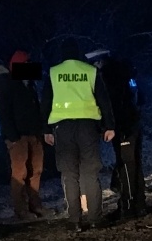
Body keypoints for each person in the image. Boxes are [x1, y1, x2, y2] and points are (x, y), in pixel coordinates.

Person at [43, 39, 116, 231]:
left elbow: (46, 103)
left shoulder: (53, 72)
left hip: (63, 129)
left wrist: (45, 130)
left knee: (69, 174)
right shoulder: (90, 71)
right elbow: (104, 100)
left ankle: (74, 220)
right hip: (88, 128)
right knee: (90, 173)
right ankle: (94, 219)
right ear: (78, 53)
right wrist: (109, 126)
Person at [87, 48, 146, 218]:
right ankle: (139, 204)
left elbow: (109, 104)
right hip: (133, 122)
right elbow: (140, 98)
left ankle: (127, 206)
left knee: (126, 164)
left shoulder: (108, 76)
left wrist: (107, 125)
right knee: (134, 163)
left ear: (99, 62)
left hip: (122, 126)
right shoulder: (125, 72)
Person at [0, 50, 48, 221]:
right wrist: (12, 137)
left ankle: (35, 205)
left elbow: (35, 109)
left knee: (36, 170)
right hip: (19, 136)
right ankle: (21, 209)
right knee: (20, 173)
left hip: (33, 134)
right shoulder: (6, 84)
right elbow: (3, 112)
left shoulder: (28, 84)